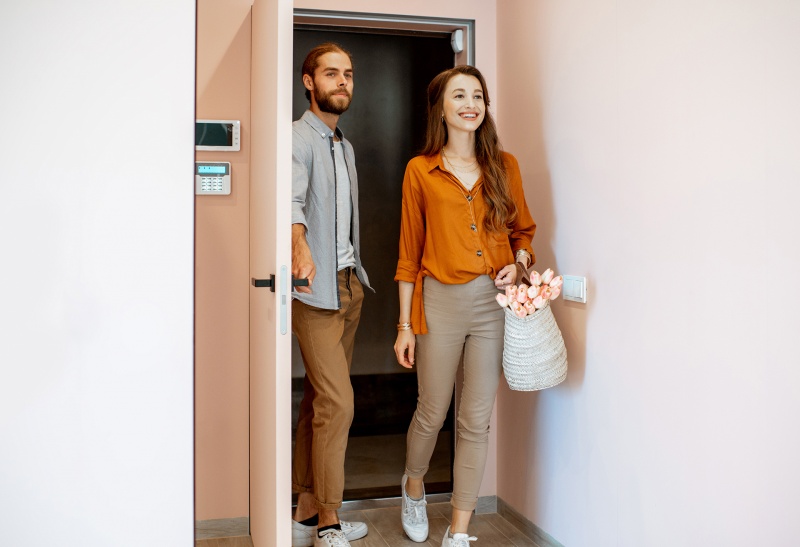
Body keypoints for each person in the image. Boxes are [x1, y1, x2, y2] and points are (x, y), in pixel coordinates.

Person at [393, 65, 536, 546]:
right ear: (442, 107)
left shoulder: (505, 166)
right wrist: (404, 325)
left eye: (477, 95)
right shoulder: (421, 171)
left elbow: (524, 234)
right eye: (460, 95)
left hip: (494, 305)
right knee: (432, 411)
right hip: (439, 303)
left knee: (476, 420)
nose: (471, 104)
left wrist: (518, 263)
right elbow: (408, 256)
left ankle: (459, 531)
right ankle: (414, 485)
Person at [291, 42, 373, 547]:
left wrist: (355, 276)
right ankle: (329, 522)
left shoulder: (344, 145)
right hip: (314, 292)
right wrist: (298, 244)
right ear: (308, 81)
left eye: (347, 74)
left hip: (348, 286)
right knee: (339, 404)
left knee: (319, 402)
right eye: (330, 74)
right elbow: (291, 199)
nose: (342, 82)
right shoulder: (297, 139)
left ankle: (303, 507)